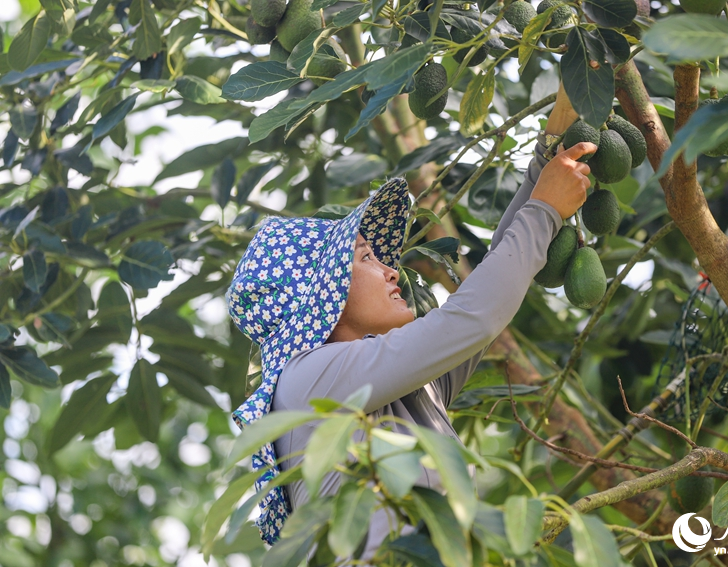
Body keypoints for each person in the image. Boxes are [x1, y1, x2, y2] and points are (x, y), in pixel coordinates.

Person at [226, 84, 595, 555]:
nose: (390, 268)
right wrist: (544, 209)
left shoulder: (408, 388)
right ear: (322, 294)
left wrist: (544, 168)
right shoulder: (306, 381)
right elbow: (471, 318)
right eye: (366, 258)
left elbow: (484, 291)